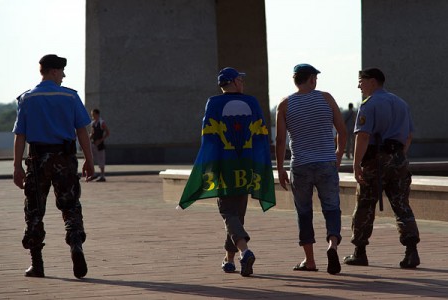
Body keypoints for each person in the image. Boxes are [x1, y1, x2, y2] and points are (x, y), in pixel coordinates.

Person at [178, 67, 276, 277]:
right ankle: (229, 260)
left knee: (228, 212)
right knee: (236, 215)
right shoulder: (252, 102)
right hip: (246, 166)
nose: (243, 82)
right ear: (232, 81)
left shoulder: (213, 103)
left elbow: (209, 138)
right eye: (240, 79)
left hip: (225, 167)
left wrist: (207, 168)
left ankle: (244, 250)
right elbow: (261, 137)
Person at [12, 54, 94, 279]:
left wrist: (17, 166)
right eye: (62, 71)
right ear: (54, 71)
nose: (64, 76)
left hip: (37, 161)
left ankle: (37, 264)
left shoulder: (27, 99)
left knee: (34, 211)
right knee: (70, 206)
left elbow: (20, 135)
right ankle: (75, 244)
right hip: (65, 159)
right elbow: (82, 132)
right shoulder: (70, 97)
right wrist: (89, 159)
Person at [343, 68, 420, 268]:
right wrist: (398, 155)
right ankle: (411, 251)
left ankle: (359, 252)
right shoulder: (401, 103)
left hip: (375, 161)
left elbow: (363, 136)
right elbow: (409, 135)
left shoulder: (369, 104)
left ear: (373, 82)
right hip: (398, 159)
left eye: (361, 81)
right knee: (402, 206)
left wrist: (357, 164)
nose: (359, 85)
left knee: (365, 205)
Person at [275, 63, 347, 275]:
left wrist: (280, 168)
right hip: (326, 162)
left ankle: (310, 260)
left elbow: (280, 140)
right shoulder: (326, 98)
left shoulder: (285, 104)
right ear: (312, 79)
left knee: (304, 212)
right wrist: (337, 156)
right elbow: (343, 132)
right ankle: (332, 245)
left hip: (300, 165)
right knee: (332, 208)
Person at [90, 108, 110, 182]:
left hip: (100, 144)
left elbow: (108, 133)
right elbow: (92, 133)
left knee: (101, 159)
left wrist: (101, 140)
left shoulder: (102, 123)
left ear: (97, 114)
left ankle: (102, 176)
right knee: (91, 158)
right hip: (93, 143)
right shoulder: (92, 123)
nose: (92, 115)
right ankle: (93, 174)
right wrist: (88, 140)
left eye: (93, 114)